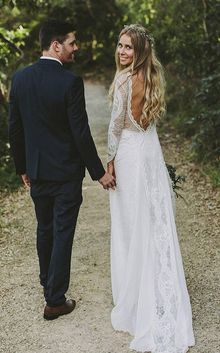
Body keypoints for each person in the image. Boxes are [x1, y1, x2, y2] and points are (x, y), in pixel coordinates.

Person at [8, 19, 115, 321]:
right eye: (72, 43)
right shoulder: (70, 82)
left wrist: (22, 167)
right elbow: (80, 133)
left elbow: (14, 130)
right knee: (62, 231)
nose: (75, 48)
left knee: (45, 228)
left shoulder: (20, 79)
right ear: (56, 45)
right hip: (67, 174)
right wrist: (99, 173)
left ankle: (48, 283)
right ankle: (54, 299)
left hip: (38, 171)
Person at [107, 24, 195, 352]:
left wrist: (109, 160)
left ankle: (136, 301)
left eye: (128, 47)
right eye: (120, 45)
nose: (122, 51)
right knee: (154, 219)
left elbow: (116, 125)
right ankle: (157, 290)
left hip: (131, 154)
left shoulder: (125, 80)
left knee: (133, 223)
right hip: (151, 151)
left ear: (140, 50)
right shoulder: (154, 76)